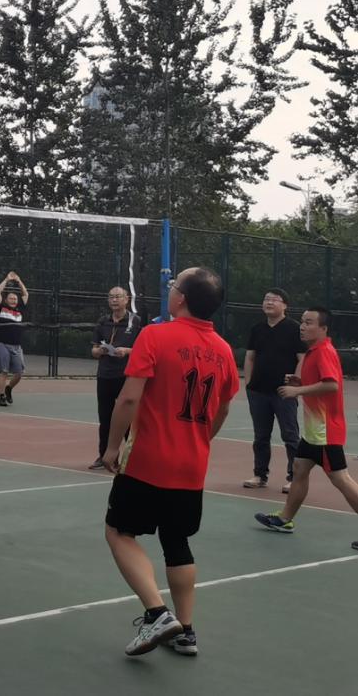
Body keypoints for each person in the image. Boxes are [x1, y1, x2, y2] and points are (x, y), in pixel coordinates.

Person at [102, 267, 238, 657]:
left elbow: (129, 398)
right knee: (176, 540)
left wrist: (111, 447)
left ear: (182, 298)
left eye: (174, 284)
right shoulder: (224, 351)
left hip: (148, 459)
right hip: (191, 465)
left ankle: (157, 612)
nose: (170, 289)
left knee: (118, 532)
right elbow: (223, 409)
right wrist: (200, 440)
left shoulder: (155, 335)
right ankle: (186, 631)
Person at [255, 308, 358, 548]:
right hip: (313, 432)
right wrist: (300, 381)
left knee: (341, 479)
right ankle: (284, 519)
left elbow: (331, 385)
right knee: (300, 468)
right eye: (302, 322)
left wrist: (297, 390)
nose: (302, 326)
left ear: (323, 329)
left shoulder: (324, 352)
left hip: (325, 433)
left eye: (309, 322)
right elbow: (320, 383)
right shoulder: (313, 351)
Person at [241, 288, 304, 494]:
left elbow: (302, 358)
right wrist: (249, 383)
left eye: (274, 300)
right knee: (261, 436)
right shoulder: (257, 329)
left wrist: (295, 384)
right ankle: (260, 475)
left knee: (290, 435)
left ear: (285, 305)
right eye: (266, 299)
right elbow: (250, 357)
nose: (269, 302)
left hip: (284, 392)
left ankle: (294, 478)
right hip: (258, 392)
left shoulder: (294, 329)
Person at [90, 287, 141, 470]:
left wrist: (126, 351)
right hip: (105, 375)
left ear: (127, 299)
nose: (114, 300)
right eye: (111, 297)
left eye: (118, 297)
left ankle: (132, 458)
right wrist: (100, 350)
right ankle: (105, 456)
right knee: (105, 418)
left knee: (127, 418)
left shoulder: (136, 322)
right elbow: (93, 351)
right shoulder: (103, 322)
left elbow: (143, 349)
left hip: (126, 376)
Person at [0, 272, 28, 407]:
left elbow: (25, 294)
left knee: (19, 373)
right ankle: (1, 397)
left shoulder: (20, 310)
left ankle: (8, 388)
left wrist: (19, 281)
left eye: (15, 299)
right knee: (4, 372)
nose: (13, 300)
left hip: (17, 346)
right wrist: (6, 280)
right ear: (6, 300)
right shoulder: (1, 308)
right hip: (2, 344)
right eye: (11, 298)